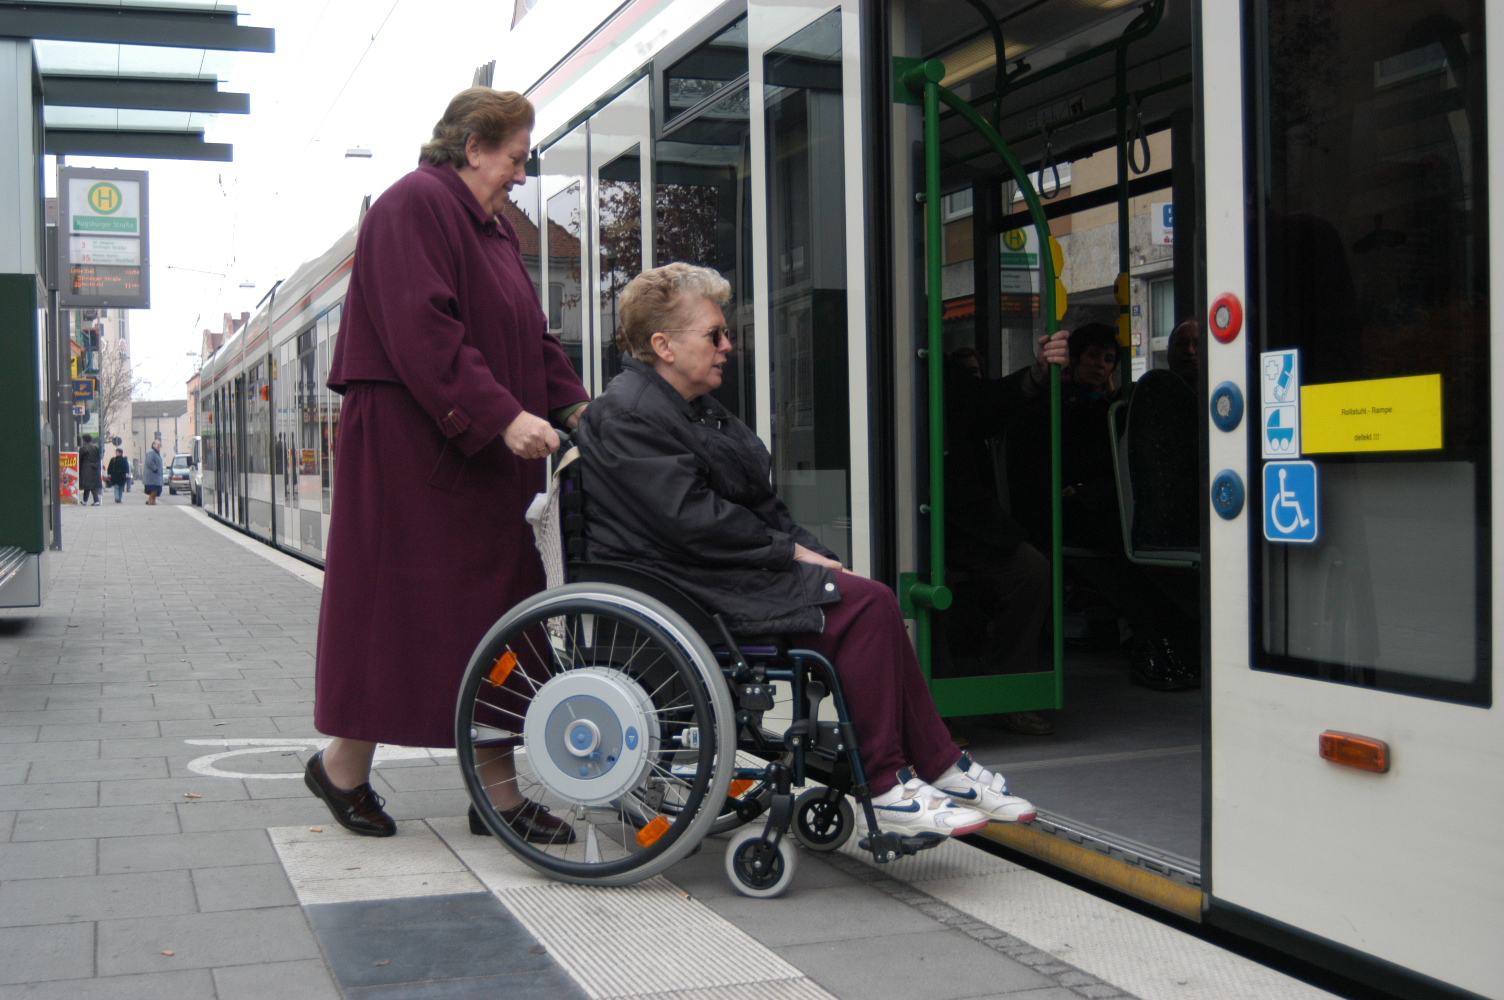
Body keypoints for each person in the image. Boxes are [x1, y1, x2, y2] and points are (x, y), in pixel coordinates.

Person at [574, 263, 1037, 838]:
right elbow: (692, 521)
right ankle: (889, 783)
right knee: (868, 608)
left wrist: (812, 553)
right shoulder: (630, 413)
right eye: (714, 335)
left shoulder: (685, 407)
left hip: (713, 571)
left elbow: (760, 505)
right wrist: (790, 556)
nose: (728, 345)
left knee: (869, 599)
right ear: (663, 345)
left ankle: (940, 765)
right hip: (690, 586)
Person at [306, 88, 591, 841]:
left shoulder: (488, 229)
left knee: (478, 617)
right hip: (417, 455)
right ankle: (360, 773)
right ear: (472, 147)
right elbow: (423, 332)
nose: (520, 175)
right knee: (407, 618)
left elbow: (534, 340)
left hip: (470, 456)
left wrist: (578, 409)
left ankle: (475, 790)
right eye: (514, 157)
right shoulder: (411, 206)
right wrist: (504, 416)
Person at [938, 341, 1066, 737]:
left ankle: (1004, 694)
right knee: (916, 587)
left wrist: (1037, 374)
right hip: (905, 518)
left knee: (1031, 570)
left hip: (961, 519)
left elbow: (985, 406)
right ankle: (934, 716)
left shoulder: (944, 371)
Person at [77, 434, 102, 506]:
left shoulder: (83, 448)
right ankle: (85, 500)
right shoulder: (95, 447)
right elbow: (99, 457)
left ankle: (96, 500)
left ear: (84, 440)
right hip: (95, 468)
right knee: (88, 485)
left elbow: (79, 457)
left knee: (90, 485)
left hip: (86, 468)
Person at [142, 440, 164, 505]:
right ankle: (149, 500)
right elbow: (149, 462)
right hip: (152, 475)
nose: (159, 446)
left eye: (160, 444)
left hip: (156, 475)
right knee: (154, 488)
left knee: (156, 489)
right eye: (158, 444)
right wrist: (155, 469)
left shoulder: (156, 452)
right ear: (153, 444)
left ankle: (153, 501)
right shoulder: (151, 452)